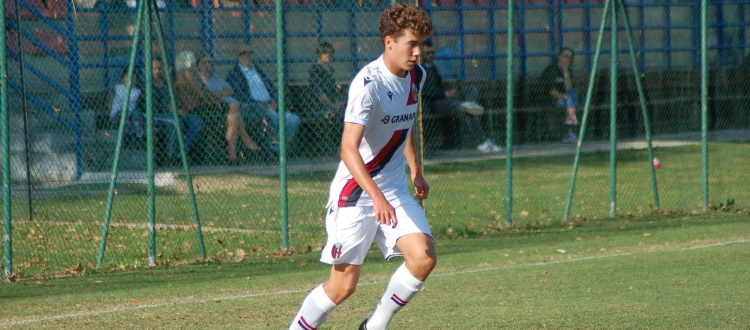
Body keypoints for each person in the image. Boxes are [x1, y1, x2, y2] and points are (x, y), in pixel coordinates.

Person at [289, 4, 435, 330]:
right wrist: (377, 196)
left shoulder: (417, 77)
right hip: (357, 192)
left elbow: (403, 126)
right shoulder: (368, 84)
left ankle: (374, 326)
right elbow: (347, 149)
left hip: (394, 186)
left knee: (423, 258)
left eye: (421, 44)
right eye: (411, 43)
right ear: (389, 42)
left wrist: (415, 169)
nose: (417, 52)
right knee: (343, 287)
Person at [174, 51, 260, 164]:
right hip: (197, 110)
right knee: (233, 109)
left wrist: (214, 98)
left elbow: (204, 94)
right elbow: (201, 95)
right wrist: (217, 99)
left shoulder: (186, 76)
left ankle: (235, 153)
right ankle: (239, 146)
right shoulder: (186, 75)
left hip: (202, 107)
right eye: (195, 63)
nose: (195, 66)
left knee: (233, 113)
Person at [421, 40, 501, 153]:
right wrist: (444, 94)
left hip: (444, 99)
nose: (431, 55)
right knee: (468, 110)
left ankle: (467, 104)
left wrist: (449, 91)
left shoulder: (434, 67)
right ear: (422, 54)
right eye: (428, 53)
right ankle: (482, 141)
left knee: (471, 91)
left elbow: (439, 85)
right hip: (433, 103)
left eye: (433, 53)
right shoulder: (420, 69)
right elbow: (426, 91)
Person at [226, 45, 302, 147]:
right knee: (273, 117)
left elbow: (272, 89)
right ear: (237, 57)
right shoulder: (234, 74)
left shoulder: (258, 71)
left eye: (250, 53)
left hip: (271, 105)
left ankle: (284, 145)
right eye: (243, 53)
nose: (247, 56)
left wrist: (275, 101)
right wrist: (262, 105)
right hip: (254, 108)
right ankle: (276, 146)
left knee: (294, 119)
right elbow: (240, 95)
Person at [144, 57, 203, 166]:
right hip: (152, 114)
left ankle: (181, 153)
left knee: (196, 122)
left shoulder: (166, 83)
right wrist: (169, 109)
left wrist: (178, 109)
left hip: (169, 113)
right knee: (174, 122)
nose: (157, 71)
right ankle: (170, 157)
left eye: (160, 69)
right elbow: (149, 105)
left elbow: (171, 101)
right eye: (154, 69)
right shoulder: (145, 83)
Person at [541, 47, 579, 143]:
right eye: (565, 56)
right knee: (571, 100)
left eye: (570, 57)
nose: (567, 59)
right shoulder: (551, 70)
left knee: (572, 94)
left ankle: (568, 133)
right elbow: (552, 91)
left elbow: (569, 88)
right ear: (559, 56)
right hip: (551, 99)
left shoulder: (568, 71)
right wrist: (565, 97)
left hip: (566, 100)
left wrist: (565, 72)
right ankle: (568, 132)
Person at [309, 41, 346, 118]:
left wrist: (337, 102)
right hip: (319, 105)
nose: (328, 55)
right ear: (320, 54)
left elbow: (333, 89)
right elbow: (319, 93)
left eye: (330, 52)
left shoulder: (330, 69)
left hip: (331, 102)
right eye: (325, 53)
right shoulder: (316, 69)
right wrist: (332, 105)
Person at [109, 67, 145, 141]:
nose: (131, 80)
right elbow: (109, 103)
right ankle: (127, 136)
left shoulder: (137, 91)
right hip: (117, 114)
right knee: (125, 112)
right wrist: (110, 113)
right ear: (123, 78)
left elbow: (138, 104)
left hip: (131, 114)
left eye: (133, 78)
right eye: (128, 77)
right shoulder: (116, 88)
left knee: (137, 112)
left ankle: (139, 134)